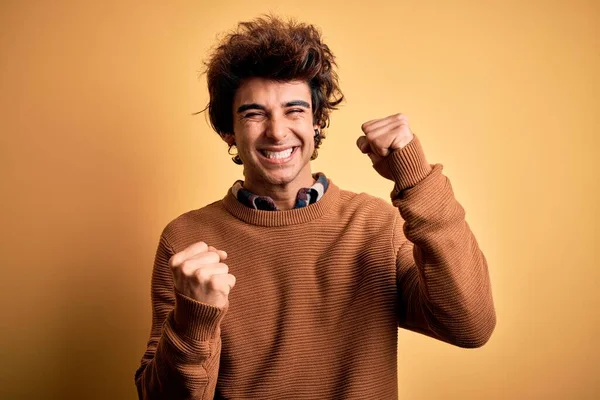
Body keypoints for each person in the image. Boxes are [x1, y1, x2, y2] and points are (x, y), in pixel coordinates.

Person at [134, 15, 496, 400]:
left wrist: (417, 179)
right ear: (228, 131)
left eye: (295, 110)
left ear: (318, 122)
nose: (276, 131)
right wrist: (193, 320)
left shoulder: (375, 225)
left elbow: (471, 326)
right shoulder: (187, 241)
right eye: (254, 113)